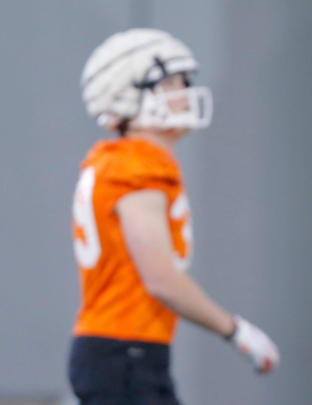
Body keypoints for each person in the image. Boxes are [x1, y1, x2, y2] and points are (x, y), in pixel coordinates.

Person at [70, 29, 279, 405]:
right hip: (125, 352)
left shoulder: (113, 160)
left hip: (116, 351)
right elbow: (161, 278)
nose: (184, 89)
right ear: (127, 94)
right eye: (169, 81)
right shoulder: (139, 164)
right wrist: (235, 330)